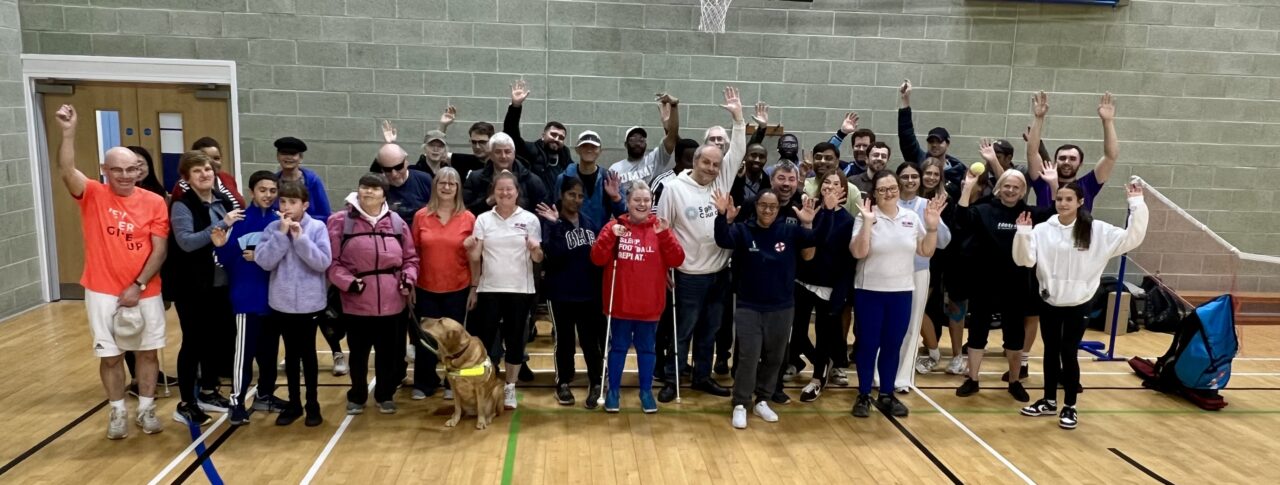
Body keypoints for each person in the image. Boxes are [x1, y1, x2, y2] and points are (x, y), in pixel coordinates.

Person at [54, 105, 168, 439]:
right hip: (102, 291)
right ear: (105, 170)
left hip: (146, 291)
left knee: (147, 353)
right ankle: (117, 412)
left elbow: (159, 249)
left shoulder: (154, 201)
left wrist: (138, 285)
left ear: (139, 171)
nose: (124, 175)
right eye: (117, 169)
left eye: (131, 169)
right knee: (111, 357)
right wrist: (68, 132)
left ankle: (146, 410)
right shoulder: (92, 193)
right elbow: (66, 169)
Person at [1014, 180, 1148, 429]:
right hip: (1050, 301)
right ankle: (1049, 400)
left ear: (1080, 202)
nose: (1063, 204)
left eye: (1069, 199)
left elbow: (1132, 238)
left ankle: (1070, 406)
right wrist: (1022, 234)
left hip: (1079, 303)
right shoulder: (1042, 230)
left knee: (1068, 352)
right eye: (1059, 199)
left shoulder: (1098, 231)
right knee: (1050, 352)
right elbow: (1024, 260)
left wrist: (1136, 204)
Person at [654, 86, 746, 402]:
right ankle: (672, 378)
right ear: (695, 161)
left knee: (710, 331)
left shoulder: (721, 180)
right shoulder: (673, 188)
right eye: (706, 162)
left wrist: (738, 119)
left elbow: (737, 151)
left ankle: (702, 377)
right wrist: (664, 268)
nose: (711, 169)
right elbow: (662, 231)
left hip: (719, 274)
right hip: (688, 276)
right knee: (683, 331)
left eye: (716, 165)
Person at [713, 189, 816, 428]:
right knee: (748, 356)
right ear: (756, 206)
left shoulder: (789, 231)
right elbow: (722, 239)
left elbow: (813, 241)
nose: (767, 210)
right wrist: (723, 218)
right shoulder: (742, 230)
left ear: (778, 209)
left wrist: (808, 223)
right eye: (763, 205)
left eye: (772, 206)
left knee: (775, 356)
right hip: (749, 306)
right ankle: (741, 403)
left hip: (781, 307)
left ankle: (762, 400)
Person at [952, 166, 1051, 403]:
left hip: (1016, 285)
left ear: (1023, 191)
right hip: (984, 283)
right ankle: (972, 379)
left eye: (1016, 187)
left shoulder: (1029, 213)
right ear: (999, 188)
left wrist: (1053, 183)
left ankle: (1014, 381)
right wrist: (967, 189)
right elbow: (961, 218)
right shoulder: (983, 210)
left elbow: (1055, 212)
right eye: (1007, 186)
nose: (1011, 190)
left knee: (1014, 336)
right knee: (977, 333)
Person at [849, 170, 944, 418]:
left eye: (892, 188)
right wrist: (867, 223)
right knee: (868, 344)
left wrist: (932, 227)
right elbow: (858, 252)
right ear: (875, 192)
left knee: (893, 345)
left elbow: (925, 251)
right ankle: (863, 394)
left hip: (901, 293)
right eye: (882, 189)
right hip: (869, 292)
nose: (889, 193)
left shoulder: (911, 217)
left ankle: (886, 394)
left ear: (898, 190)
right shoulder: (866, 216)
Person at [161, 151, 241, 427]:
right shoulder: (182, 205)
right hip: (191, 285)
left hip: (219, 282)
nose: (205, 174)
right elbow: (187, 242)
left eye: (207, 169)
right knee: (193, 342)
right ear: (187, 178)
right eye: (197, 171)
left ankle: (208, 390)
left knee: (214, 340)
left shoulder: (222, 202)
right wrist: (223, 224)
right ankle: (186, 403)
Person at [328, 173, 419, 416]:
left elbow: (411, 258)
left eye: (374, 188)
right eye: (364, 187)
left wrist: (408, 279)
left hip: (393, 302)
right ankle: (357, 395)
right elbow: (332, 263)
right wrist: (349, 283)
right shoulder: (340, 221)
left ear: (384, 195)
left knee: (388, 354)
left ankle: (385, 395)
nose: (368, 192)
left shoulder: (397, 222)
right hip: (357, 303)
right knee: (358, 354)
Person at [591, 181, 685, 413]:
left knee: (647, 350)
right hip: (620, 304)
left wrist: (665, 235)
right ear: (627, 201)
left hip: (649, 306)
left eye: (646, 200)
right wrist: (610, 236)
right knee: (618, 348)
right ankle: (613, 392)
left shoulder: (660, 227)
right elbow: (597, 259)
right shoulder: (614, 226)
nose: (642, 204)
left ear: (652, 202)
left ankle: (646, 392)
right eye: (637, 200)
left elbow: (676, 260)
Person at [254, 181, 331, 427]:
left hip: (310, 305)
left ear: (304, 205)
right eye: (283, 201)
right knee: (290, 355)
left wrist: (300, 239)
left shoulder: (317, 228)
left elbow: (322, 262)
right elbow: (264, 261)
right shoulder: (273, 228)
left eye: (293, 202)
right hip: (282, 304)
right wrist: (281, 235)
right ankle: (294, 403)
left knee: (308, 354)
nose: (287, 206)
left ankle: (313, 404)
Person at [211, 171, 285, 423]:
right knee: (244, 355)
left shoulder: (280, 220)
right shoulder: (238, 221)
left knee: (269, 353)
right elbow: (224, 260)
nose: (268, 195)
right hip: (246, 298)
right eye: (263, 190)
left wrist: (261, 256)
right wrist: (221, 247)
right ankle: (236, 402)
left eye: (273, 191)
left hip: (273, 299)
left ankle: (265, 395)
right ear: (252, 192)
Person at [467, 171, 543, 410]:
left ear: (517, 192)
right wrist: (470, 250)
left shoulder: (530, 219)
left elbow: (538, 257)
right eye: (500, 189)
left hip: (521, 290)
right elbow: (475, 258)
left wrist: (535, 249)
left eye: (509, 189)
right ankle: (485, 386)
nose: (505, 193)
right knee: (485, 342)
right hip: (489, 289)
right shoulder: (483, 220)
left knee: (515, 341)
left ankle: (510, 387)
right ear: (493, 192)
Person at [536, 178, 606, 408]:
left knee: (590, 341)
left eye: (580, 196)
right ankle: (563, 382)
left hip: (588, 294)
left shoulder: (589, 223)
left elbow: (598, 258)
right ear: (562, 194)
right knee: (564, 341)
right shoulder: (550, 221)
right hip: (560, 294)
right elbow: (554, 255)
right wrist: (556, 225)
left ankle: (596, 382)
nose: (576, 200)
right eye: (571, 195)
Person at [411, 167, 476, 401]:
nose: (447, 187)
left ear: (458, 188)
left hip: (458, 288)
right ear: (435, 186)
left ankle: (452, 382)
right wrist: (411, 284)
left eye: (452, 184)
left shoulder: (469, 218)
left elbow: (474, 257)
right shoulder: (421, 216)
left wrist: (474, 288)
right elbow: (413, 252)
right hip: (426, 287)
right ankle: (425, 382)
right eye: (442, 183)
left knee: (454, 339)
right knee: (426, 339)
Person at [885, 162, 950, 393]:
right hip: (889, 271)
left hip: (918, 271)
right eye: (905, 176)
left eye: (914, 176)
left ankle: (903, 379)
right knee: (887, 326)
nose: (910, 180)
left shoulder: (926, 205)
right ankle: (880, 374)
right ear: (897, 179)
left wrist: (935, 221)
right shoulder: (888, 203)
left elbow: (944, 241)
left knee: (913, 325)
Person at [123, 146, 178, 396]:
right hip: (129, 270)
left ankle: (151, 373)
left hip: (157, 269)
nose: (137, 169)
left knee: (150, 327)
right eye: (132, 164)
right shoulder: (118, 198)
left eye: (141, 163)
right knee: (129, 325)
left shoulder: (160, 195)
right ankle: (136, 377)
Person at [797, 171, 856, 402]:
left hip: (828, 287)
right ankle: (827, 360)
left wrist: (840, 295)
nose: (830, 186)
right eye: (827, 182)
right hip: (801, 282)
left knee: (824, 334)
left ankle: (818, 378)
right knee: (798, 334)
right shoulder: (810, 211)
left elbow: (848, 264)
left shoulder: (848, 221)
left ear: (844, 190)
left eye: (836, 183)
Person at [1027, 91, 1120, 212]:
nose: (1066, 162)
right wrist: (1038, 118)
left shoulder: (1088, 185)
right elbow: (1032, 153)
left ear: (1080, 163)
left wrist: (1107, 121)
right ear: (1055, 162)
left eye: (1072, 159)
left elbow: (1110, 156)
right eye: (1062, 158)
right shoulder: (1043, 184)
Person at [916, 158, 965, 375]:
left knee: (953, 309)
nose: (931, 177)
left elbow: (949, 235)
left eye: (936, 174)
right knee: (918, 309)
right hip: (921, 261)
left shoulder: (947, 199)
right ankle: (932, 352)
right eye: (928, 173)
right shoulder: (913, 199)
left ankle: (954, 356)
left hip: (946, 261)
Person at [504, 79, 571, 199]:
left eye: (561, 137)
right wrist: (515, 107)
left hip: (557, 208)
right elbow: (511, 134)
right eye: (553, 134)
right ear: (543, 135)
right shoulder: (531, 150)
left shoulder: (565, 157)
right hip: (534, 206)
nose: (556, 139)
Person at [897, 79, 966, 188]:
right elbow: (906, 136)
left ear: (947, 143)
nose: (934, 145)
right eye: (931, 141)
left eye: (939, 142)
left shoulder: (958, 169)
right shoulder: (918, 159)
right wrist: (905, 99)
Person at [609, 94, 681, 195]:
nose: (638, 143)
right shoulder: (615, 169)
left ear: (646, 144)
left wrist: (673, 106)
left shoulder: (656, 159)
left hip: (652, 204)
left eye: (641, 139)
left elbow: (672, 137)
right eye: (633, 139)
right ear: (626, 144)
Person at [553, 130, 625, 230]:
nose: (589, 150)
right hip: (570, 236)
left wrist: (616, 198)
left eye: (594, 147)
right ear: (577, 149)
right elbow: (556, 210)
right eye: (584, 146)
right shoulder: (564, 178)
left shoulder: (609, 179)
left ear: (600, 151)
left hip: (601, 237)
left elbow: (624, 217)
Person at [462, 133, 548, 215]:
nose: (503, 156)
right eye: (498, 152)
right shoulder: (475, 178)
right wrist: (488, 202)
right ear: (490, 155)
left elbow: (542, 213)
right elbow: (465, 211)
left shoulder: (531, 180)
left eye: (507, 152)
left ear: (514, 153)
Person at [173, 137, 244, 209]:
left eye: (216, 158)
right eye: (207, 158)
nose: (212, 162)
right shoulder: (182, 186)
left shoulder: (228, 178)